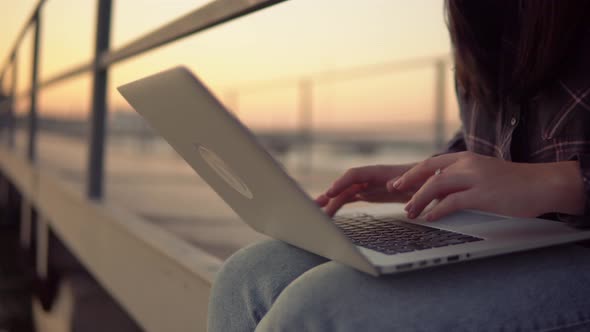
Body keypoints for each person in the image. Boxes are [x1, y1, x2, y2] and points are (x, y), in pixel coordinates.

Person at [208, 1, 590, 330]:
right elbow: (492, 140)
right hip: (512, 236)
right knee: (250, 272)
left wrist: (562, 182)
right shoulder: (478, 15)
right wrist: (428, 176)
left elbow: (536, 174)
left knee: (325, 307)